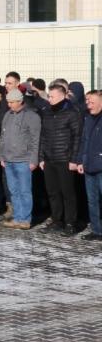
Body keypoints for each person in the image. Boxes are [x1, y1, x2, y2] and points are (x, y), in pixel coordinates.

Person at [39, 83, 83, 235]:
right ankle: (57, 220)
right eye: (49, 96)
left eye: (52, 96)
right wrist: (41, 157)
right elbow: (42, 136)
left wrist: (74, 159)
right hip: (49, 159)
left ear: (63, 96)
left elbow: (77, 137)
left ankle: (70, 223)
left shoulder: (72, 112)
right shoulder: (47, 112)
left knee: (67, 193)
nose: (49, 99)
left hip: (65, 159)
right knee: (53, 192)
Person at [0, 89, 41, 230]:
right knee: (14, 191)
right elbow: (3, 138)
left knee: (24, 191)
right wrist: (2, 156)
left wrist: (33, 160)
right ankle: (17, 217)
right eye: (8, 102)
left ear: (20, 101)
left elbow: (36, 140)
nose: (9, 105)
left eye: (12, 102)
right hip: (8, 159)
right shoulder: (7, 115)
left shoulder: (31, 116)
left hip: (24, 160)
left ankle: (25, 219)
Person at [78, 90, 102, 241]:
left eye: (91, 102)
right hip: (89, 165)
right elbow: (83, 141)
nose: (88, 104)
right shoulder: (87, 118)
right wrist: (81, 160)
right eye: (87, 101)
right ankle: (97, 230)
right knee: (92, 200)